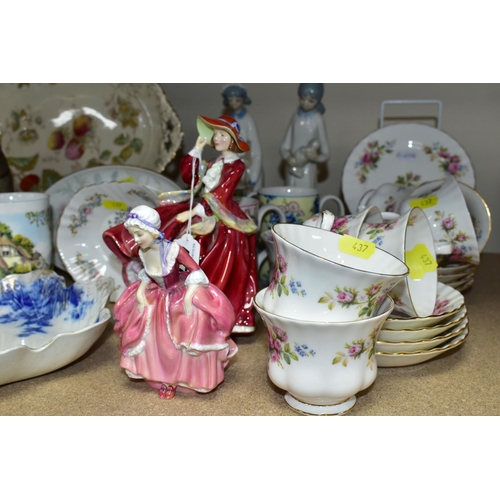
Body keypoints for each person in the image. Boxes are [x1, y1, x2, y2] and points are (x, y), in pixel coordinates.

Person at [103, 115, 259, 334]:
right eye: (215, 134)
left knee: (215, 243)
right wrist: (196, 150)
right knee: (169, 217)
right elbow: (190, 178)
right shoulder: (214, 163)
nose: (217, 138)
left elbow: (221, 193)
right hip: (201, 206)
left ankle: (214, 307)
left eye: (222, 135)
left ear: (232, 139)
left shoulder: (236, 166)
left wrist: (195, 211)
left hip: (220, 213)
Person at [113, 205, 238, 399]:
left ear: (152, 231)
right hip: (157, 294)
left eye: (139, 234)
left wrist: (189, 296)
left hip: (177, 293)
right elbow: (147, 274)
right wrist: (139, 293)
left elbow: (196, 272)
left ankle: (186, 378)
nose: (135, 240)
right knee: (141, 322)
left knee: (188, 324)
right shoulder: (143, 251)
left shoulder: (173, 250)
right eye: (133, 235)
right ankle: (158, 375)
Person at [280, 83, 330, 188]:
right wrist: (288, 157)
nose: (305, 103)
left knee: (306, 198)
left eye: (311, 101)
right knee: (289, 197)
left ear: (318, 101)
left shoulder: (318, 119)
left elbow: (326, 153)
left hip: (308, 169)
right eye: (302, 99)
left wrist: (315, 157)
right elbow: (285, 146)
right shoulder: (295, 117)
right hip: (292, 167)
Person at [222, 84, 263, 193]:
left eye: (237, 100)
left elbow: (256, 149)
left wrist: (253, 177)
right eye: (230, 100)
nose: (234, 103)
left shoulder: (248, 121)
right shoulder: (228, 120)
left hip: (247, 166)